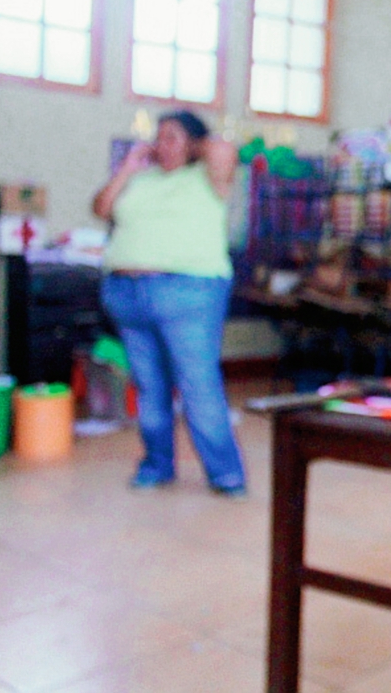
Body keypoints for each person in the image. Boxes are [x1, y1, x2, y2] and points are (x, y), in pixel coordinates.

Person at [93, 110, 247, 496]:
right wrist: (128, 166)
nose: (162, 145)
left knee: (198, 385)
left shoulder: (210, 178)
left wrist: (188, 142)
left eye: (172, 137)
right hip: (128, 296)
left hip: (188, 293)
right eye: (157, 138)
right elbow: (101, 208)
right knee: (149, 387)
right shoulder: (140, 180)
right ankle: (157, 465)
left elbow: (224, 148)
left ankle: (226, 474)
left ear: (195, 143)